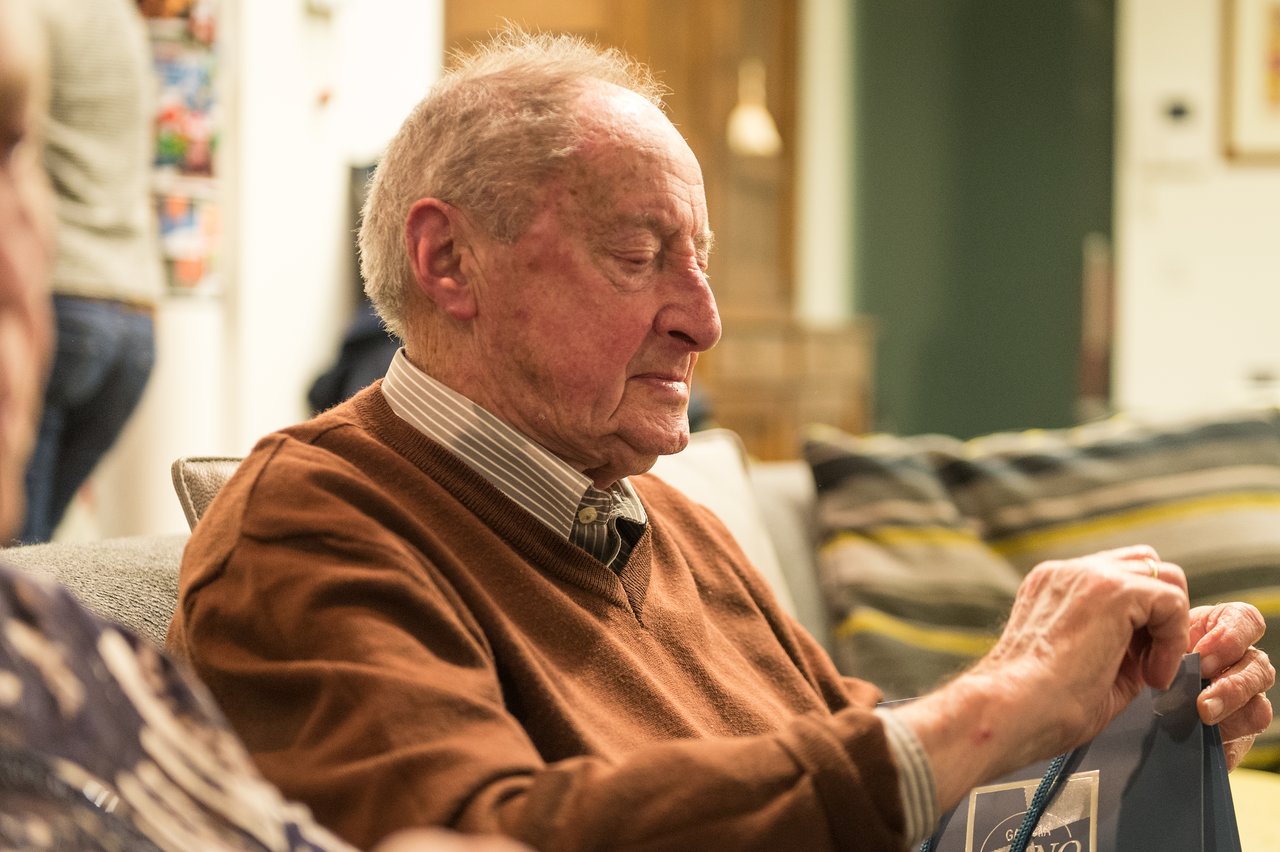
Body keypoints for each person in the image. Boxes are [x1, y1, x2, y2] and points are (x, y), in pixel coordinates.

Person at [167, 27, 1275, 852]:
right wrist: (996, 701)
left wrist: (1119, 740)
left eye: (697, 261)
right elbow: (473, 834)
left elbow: (866, 782)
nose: (703, 318)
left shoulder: (672, 527)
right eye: (639, 254)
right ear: (449, 262)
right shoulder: (307, 528)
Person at [1, 3, 525, 849]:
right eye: (636, 255)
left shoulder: (86, 663)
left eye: (9, 149)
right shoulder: (112, 27)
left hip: (90, 305)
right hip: (129, 304)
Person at [15, 0, 164, 543]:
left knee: (16, 555)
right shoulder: (118, 18)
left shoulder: (24, 17)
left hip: (57, 304)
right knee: (31, 556)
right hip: (133, 320)